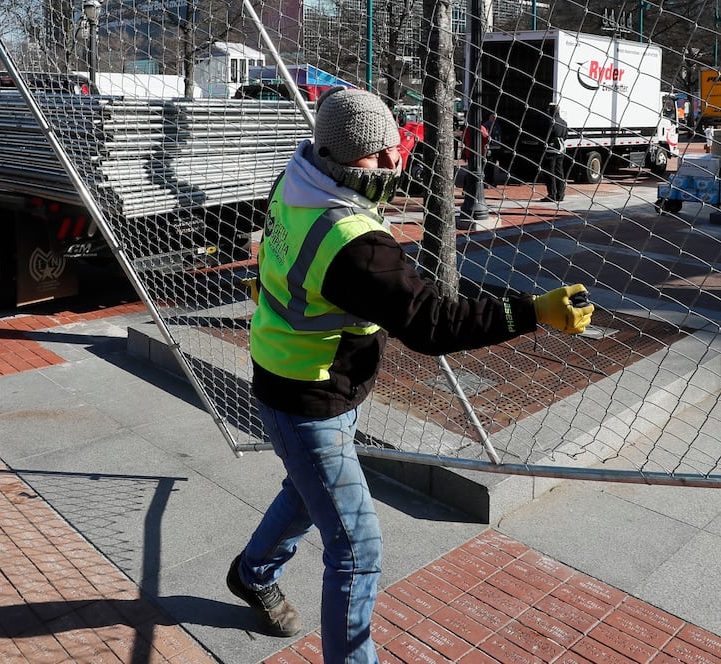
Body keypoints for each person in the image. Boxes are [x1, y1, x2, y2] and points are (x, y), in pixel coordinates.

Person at [227, 87, 594, 663]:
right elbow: (432, 323)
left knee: (306, 493)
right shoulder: (353, 245)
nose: (394, 162)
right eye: (379, 156)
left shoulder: (298, 177)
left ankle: (251, 574)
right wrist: (533, 312)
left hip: (298, 375)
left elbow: (283, 258)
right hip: (309, 398)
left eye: (391, 147)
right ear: (344, 160)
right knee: (356, 548)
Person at [542, 101, 570, 202]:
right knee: (560, 172)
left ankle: (552, 194)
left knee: (550, 172)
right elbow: (566, 135)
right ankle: (561, 194)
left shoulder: (550, 122)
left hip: (551, 149)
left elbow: (546, 135)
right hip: (561, 149)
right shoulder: (563, 122)